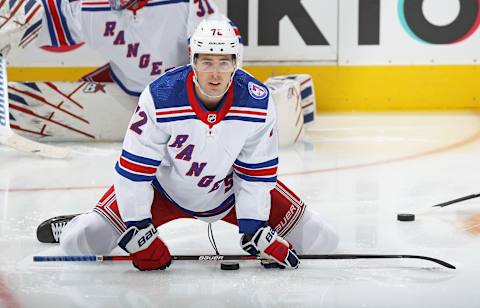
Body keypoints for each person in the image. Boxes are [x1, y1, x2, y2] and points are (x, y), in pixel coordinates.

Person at [36, 18, 339, 271]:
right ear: (193, 61)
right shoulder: (161, 96)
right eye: (206, 61)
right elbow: (133, 171)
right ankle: (83, 219)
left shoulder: (257, 102)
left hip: (228, 193)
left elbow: (256, 174)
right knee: (81, 240)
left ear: (237, 62)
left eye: (224, 61)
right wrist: (139, 231)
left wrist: (255, 228)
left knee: (322, 240)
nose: (215, 72)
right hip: (163, 192)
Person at [35, 0, 226, 97]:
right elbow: (43, 23)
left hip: (182, 91)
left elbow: (222, 37)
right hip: (125, 85)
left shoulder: (185, 4)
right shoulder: (88, 8)